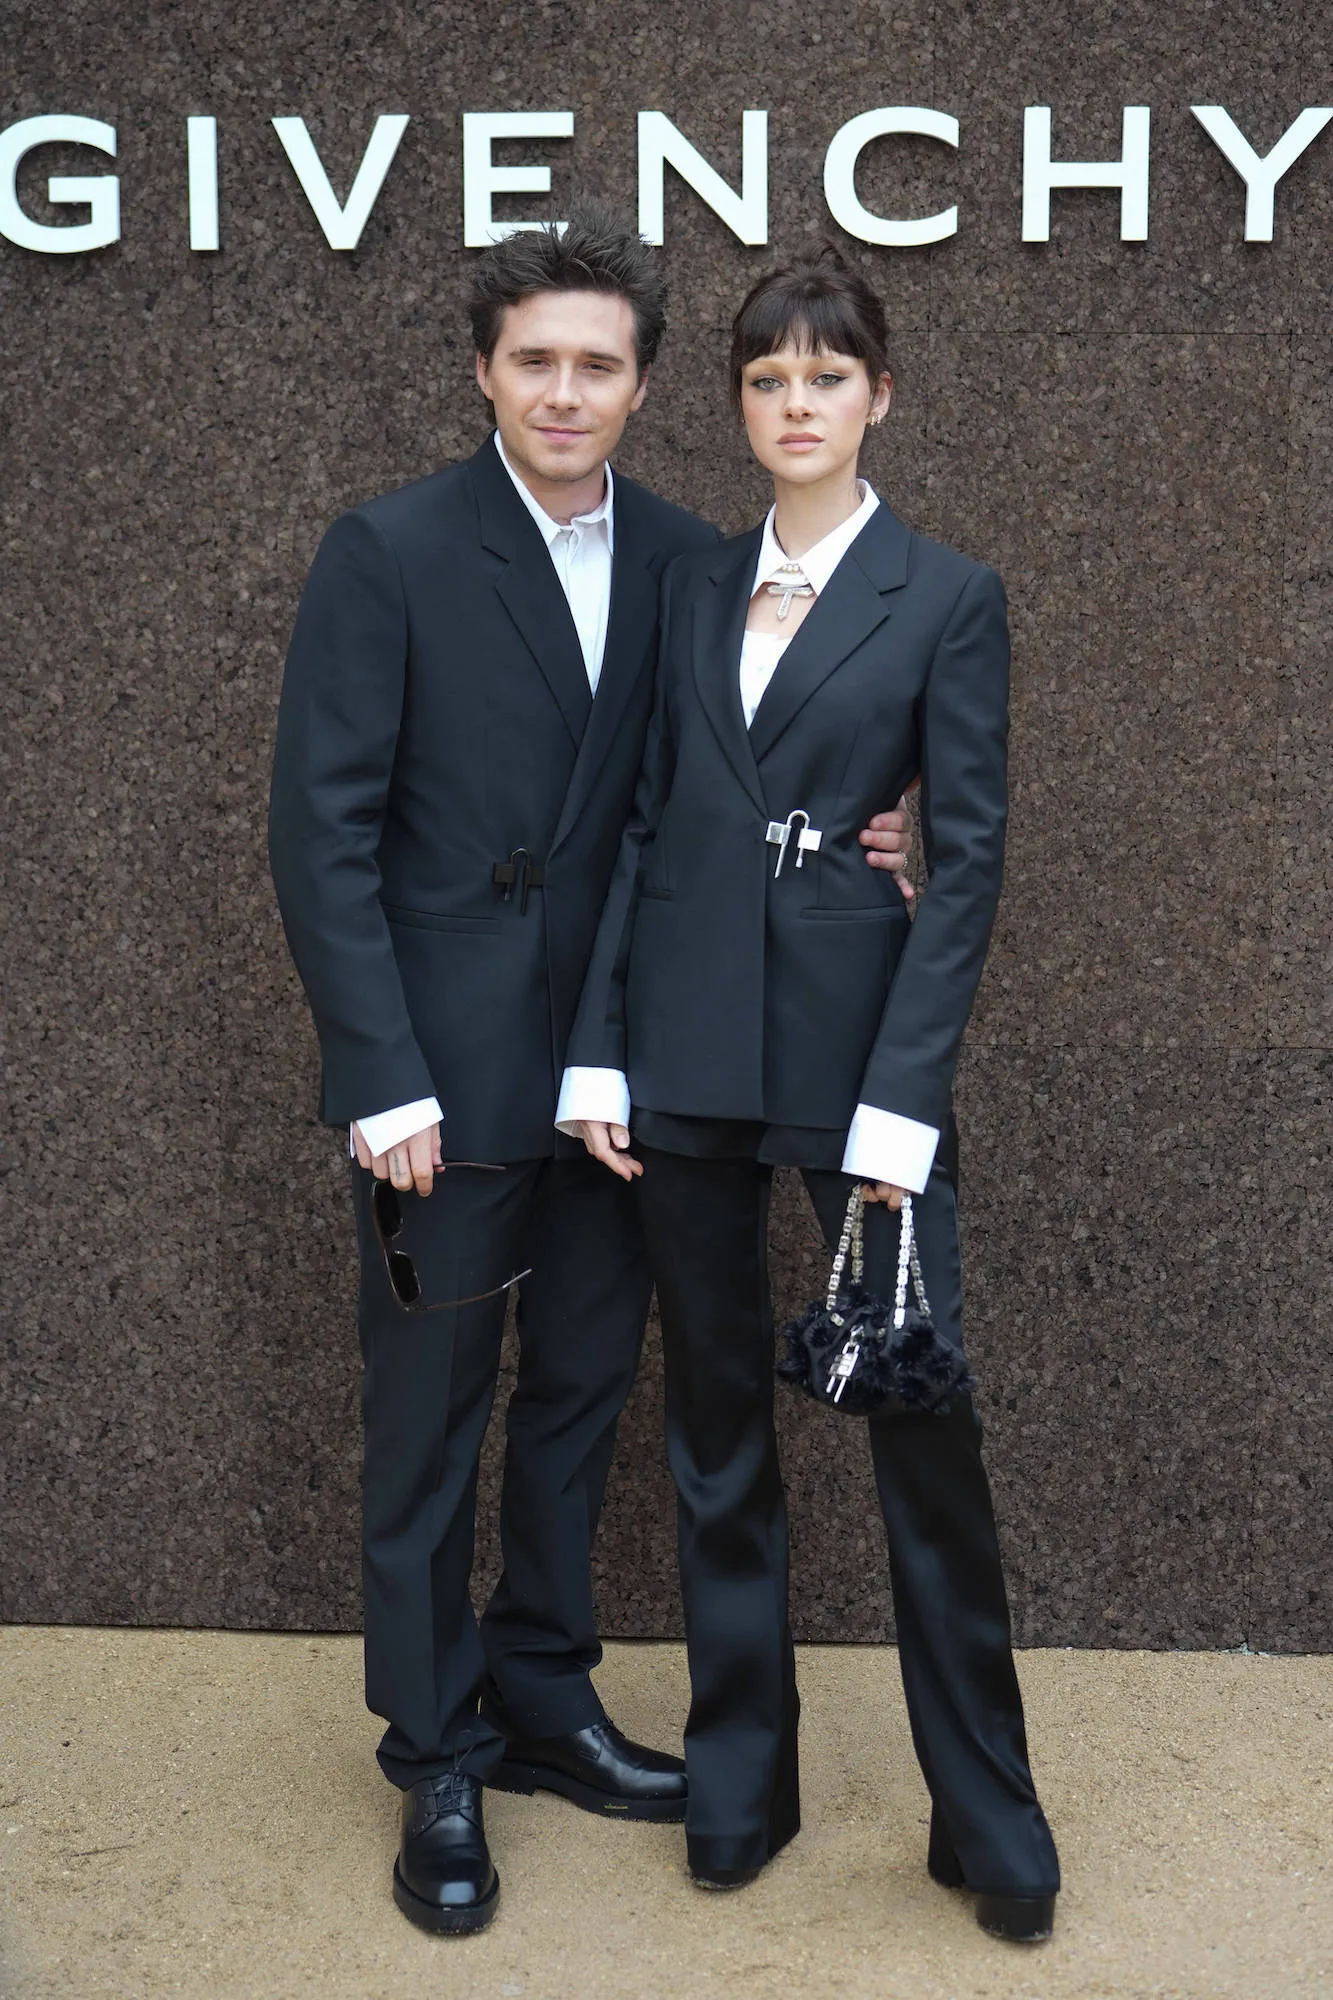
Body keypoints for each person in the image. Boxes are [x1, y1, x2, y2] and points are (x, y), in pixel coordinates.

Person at [268, 207, 915, 1936]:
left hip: (624, 1078)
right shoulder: (389, 550)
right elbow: (320, 836)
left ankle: (547, 1693)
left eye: (598, 365)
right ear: (486, 372)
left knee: (576, 1401)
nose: (566, 391)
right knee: (429, 1422)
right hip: (439, 1088)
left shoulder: (700, 564)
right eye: (535, 360)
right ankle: (437, 1749)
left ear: (642, 385)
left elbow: (751, 778)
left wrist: (895, 831)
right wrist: (379, 1075)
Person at [560, 249, 1061, 1943]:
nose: (797, 404)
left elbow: (966, 864)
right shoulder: (690, 583)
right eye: (768, 379)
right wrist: (601, 1045)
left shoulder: (950, 593)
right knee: (715, 1435)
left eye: (827, 377)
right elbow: (640, 821)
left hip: (863, 1073)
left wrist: (906, 1104)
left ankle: (988, 1815)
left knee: (924, 1440)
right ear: (737, 403)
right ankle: (740, 1783)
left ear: (879, 397)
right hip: (687, 1057)